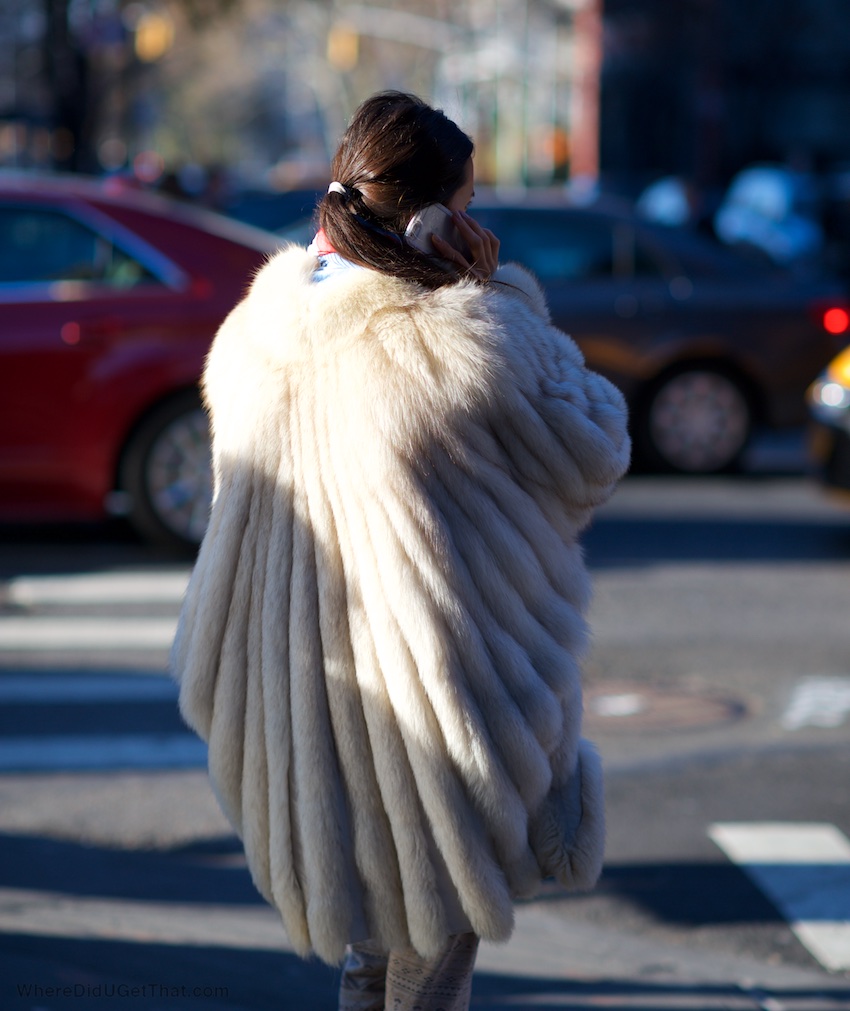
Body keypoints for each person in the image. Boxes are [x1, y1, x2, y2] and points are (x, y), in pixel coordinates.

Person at [171, 91, 631, 1011]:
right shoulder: (463, 335)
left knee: (371, 955)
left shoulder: (254, 333)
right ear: (429, 219)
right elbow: (596, 447)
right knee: (430, 967)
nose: (473, 226)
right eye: (464, 207)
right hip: (440, 716)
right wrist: (498, 289)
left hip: (302, 707)